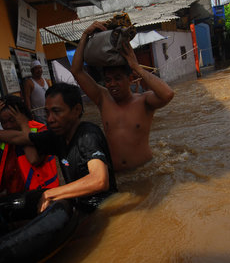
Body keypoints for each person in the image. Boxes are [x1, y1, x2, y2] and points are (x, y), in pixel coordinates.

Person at [0, 83, 117, 213]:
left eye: (56, 112)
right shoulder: (57, 137)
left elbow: (99, 180)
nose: (50, 119)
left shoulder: (87, 135)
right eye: (47, 112)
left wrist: (51, 193)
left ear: (76, 110)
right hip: (80, 207)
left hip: (104, 208)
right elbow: (19, 138)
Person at [71, 21, 175, 172]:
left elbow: (168, 94)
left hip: (145, 172)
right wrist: (85, 35)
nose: (112, 84)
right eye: (108, 80)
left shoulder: (144, 101)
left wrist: (136, 66)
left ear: (131, 79)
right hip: (119, 176)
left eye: (118, 78)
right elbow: (76, 71)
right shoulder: (102, 98)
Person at [0, 95, 59, 196]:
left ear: (22, 116)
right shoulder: (2, 137)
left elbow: (34, 160)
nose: (8, 126)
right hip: (14, 194)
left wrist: (24, 125)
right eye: (3, 122)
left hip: (41, 194)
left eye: (12, 120)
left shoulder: (39, 130)